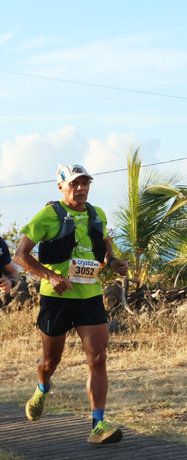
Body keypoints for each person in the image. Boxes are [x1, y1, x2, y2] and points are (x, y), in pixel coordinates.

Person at [14, 164, 129, 445]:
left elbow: (105, 250)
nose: (80, 188)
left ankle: (98, 424)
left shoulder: (96, 214)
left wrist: (114, 263)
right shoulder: (48, 215)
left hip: (89, 297)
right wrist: (51, 276)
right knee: (51, 361)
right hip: (56, 299)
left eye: (85, 183)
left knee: (99, 358)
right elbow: (20, 256)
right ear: (61, 187)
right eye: (74, 184)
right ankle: (42, 387)